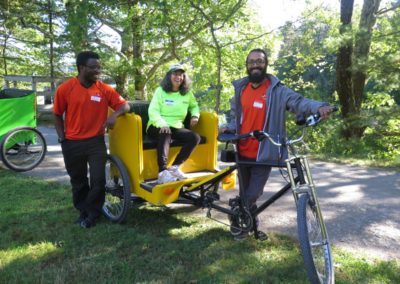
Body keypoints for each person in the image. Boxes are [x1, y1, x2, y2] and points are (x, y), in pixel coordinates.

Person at [221, 48, 334, 240]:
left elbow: (299, 102)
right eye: (252, 61)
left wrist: (319, 107)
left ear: (266, 64)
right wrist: (228, 127)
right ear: (247, 65)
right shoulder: (241, 89)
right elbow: (235, 116)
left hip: (264, 151)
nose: (255, 64)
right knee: (245, 192)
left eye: (260, 61)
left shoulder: (277, 90)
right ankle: (248, 223)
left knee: (253, 193)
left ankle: (237, 211)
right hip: (242, 149)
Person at [53, 51, 129, 228]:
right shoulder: (66, 88)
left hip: (96, 142)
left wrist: (115, 115)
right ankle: (83, 211)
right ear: (81, 68)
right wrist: (62, 138)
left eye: (99, 67)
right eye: (93, 67)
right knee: (78, 181)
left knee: (98, 181)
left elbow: (125, 104)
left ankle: (93, 214)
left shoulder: (103, 89)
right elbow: (57, 114)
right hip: (72, 143)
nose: (98, 71)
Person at [147, 63, 201, 184]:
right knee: (166, 132)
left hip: (176, 126)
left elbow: (194, 106)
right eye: (175, 74)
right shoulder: (160, 91)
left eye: (181, 75)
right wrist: (162, 124)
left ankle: (175, 167)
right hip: (156, 125)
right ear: (169, 76)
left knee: (194, 137)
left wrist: (195, 116)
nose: (179, 77)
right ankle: (162, 172)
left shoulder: (187, 93)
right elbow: (153, 110)